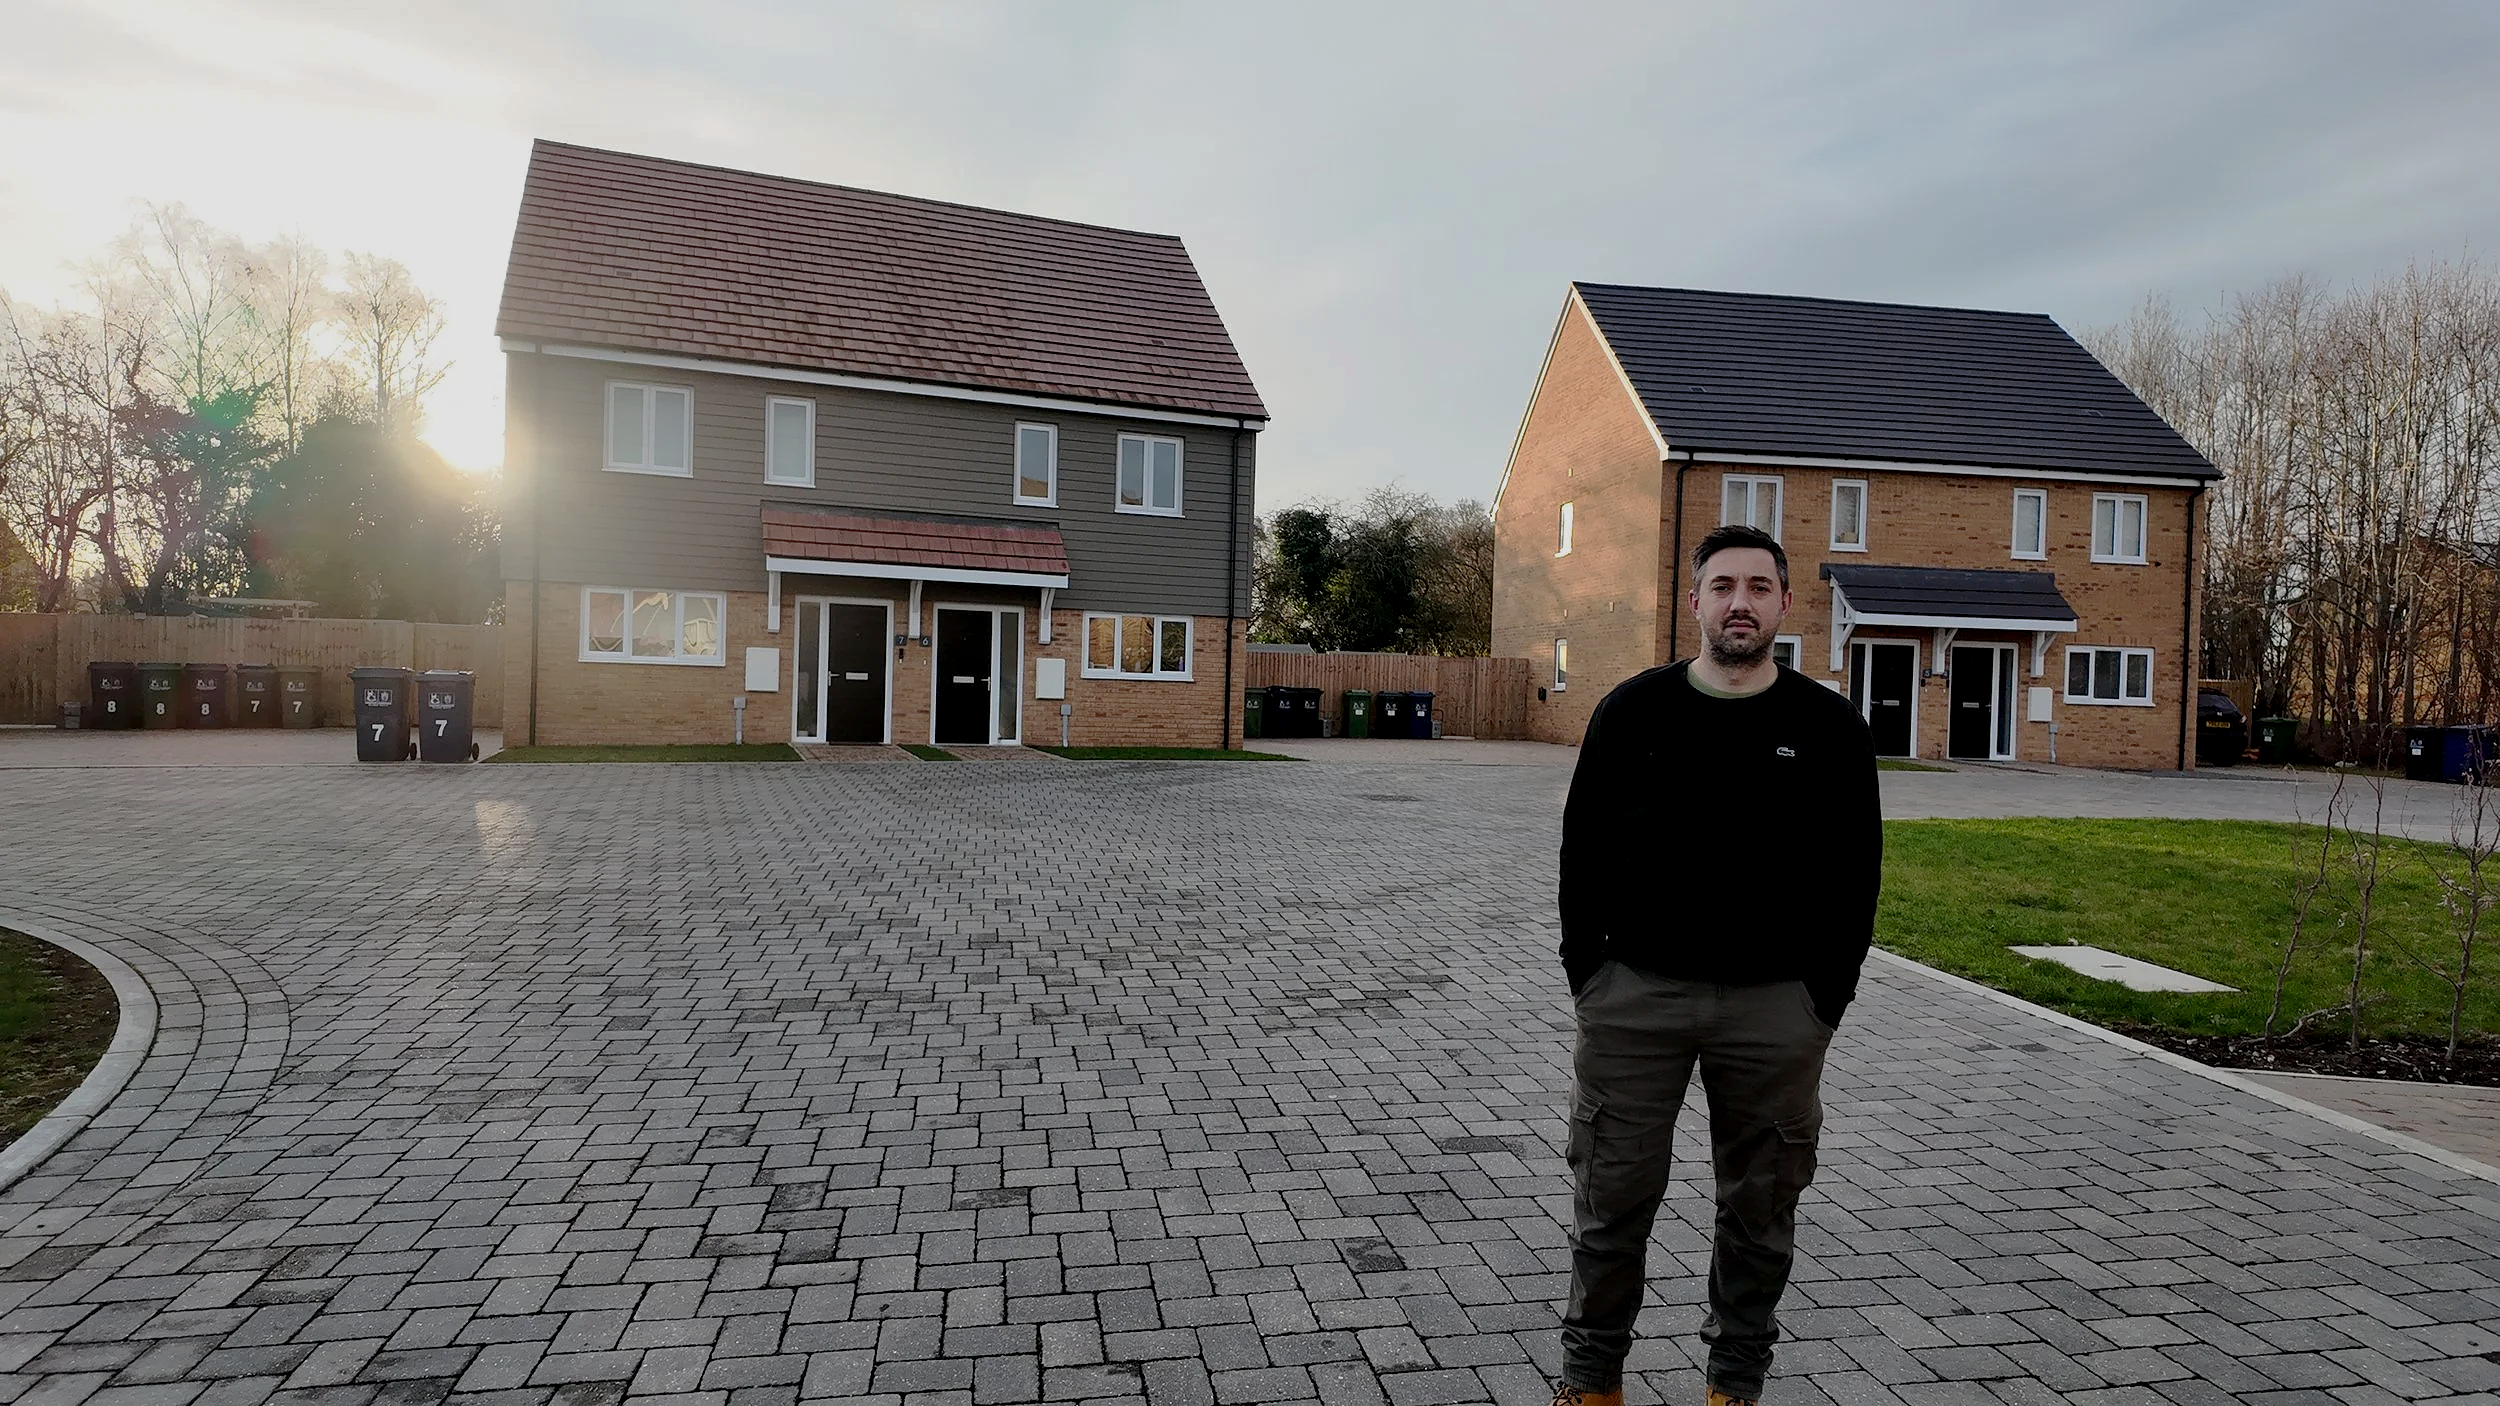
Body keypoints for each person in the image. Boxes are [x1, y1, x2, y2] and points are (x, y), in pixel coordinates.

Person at [1549, 523, 1882, 1406]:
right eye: (1724, 585)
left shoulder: (1827, 728)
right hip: (1635, 1001)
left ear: (1782, 603)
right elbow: (1581, 854)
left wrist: (1822, 1000)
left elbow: (1856, 875)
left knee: (1761, 1209)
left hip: (1777, 1011)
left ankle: (1733, 1386)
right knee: (1611, 1202)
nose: (1741, 602)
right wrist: (1593, 975)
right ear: (1693, 600)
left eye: (1759, 587)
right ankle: (1592, 1384)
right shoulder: (1632, 711)